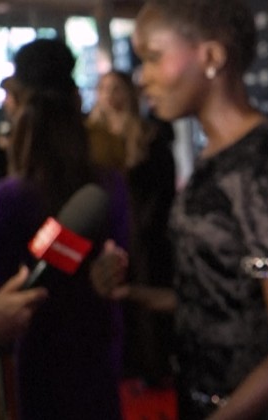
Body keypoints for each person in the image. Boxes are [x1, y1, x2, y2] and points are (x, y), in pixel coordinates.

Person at [91, 0, 268, 418]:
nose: (142, 77)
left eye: (153, 57)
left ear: (212, 56)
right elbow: (222, 300)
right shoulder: (213, 153)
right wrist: (135, 294)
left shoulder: (263, 165)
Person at [0, 38, 129, 419]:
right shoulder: (111, 183)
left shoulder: (8, 198)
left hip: (41, 363)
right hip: (96, 354)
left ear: (20, 105)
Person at [90, 69, 178, 385]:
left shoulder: (150, 134)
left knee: (147, 296)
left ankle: (154, 365)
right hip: (107, 231)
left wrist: (145, 225)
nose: (110, 95)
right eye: (104, 89)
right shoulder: (91, 137)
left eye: (117, 88)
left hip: (147, 233)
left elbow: (163, 187)